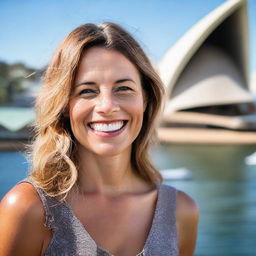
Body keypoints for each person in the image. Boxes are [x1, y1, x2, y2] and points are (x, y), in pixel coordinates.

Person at [0, 22, 198, 256]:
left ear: (145, 99)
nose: (107, 106)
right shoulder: (28, 209)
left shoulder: (181, 211)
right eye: (87, 91)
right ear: (64, 106)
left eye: (123, 88)